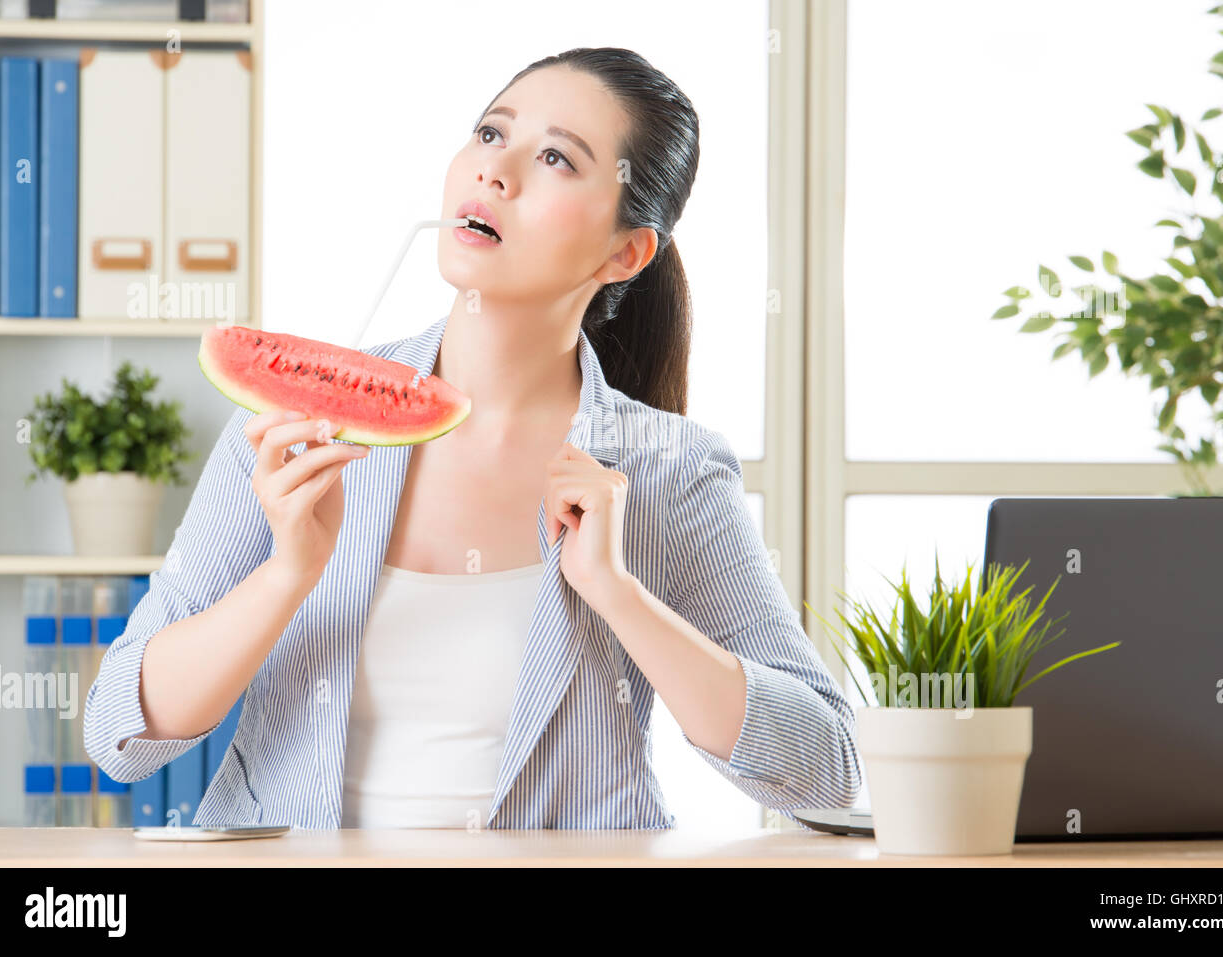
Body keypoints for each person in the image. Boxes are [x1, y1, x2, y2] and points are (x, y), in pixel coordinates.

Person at [83, 47, 862, 830]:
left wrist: (621, 599)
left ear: (625, 253)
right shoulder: (293, 426)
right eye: (492, 134)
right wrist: (287, 573)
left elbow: (827, 768)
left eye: (556, 157)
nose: (498, 171)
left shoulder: (670, 470)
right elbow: (116, 733)